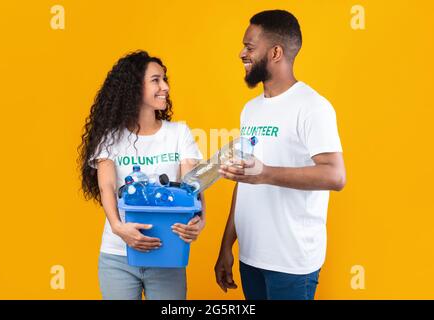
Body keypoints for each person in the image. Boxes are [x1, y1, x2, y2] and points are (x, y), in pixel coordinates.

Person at [215, 10, 346, 300]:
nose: (241, 53)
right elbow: (246, 178)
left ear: (275, 52)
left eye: (250, 47)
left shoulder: (312, 106)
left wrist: (265, 173)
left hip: (291, 263)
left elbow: (335, 175)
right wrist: (227, 245)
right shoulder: (250, 109)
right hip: (251, 257)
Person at [78, 50, 205, 300]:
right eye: (156, 80)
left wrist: (199, 221)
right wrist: (118, 227)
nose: (165, 87)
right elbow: (107, 187)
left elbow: (193, 186)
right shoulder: (110, 137)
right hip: (118, 256)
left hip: (168, 251)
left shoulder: (179, 133)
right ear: (134, 87)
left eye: (165, 79)